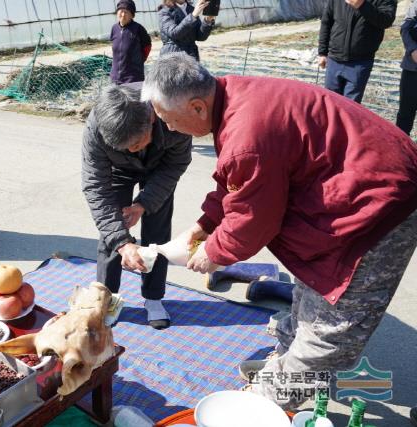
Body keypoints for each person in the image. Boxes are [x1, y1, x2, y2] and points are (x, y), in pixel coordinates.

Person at [141, 52, 417, 409]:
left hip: (378, 203)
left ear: (195, 107)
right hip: (352, 182)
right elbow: (236, 184)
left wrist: (210, 255)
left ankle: (268, 401)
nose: (169, 127)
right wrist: (201, 226)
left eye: (167, 118)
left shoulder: (245, 134)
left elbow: (254, 221)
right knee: (311, 283)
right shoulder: (232, 97)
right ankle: (283, 367)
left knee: (331, 329)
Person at [81, 83, 192, 329]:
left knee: (158, 231)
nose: (133, 149)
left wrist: (143, 203)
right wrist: (122, 243)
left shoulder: (172, 113)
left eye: (138, 142)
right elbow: (96, 186)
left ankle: (153, 298)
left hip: (160, 167)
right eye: (125, 146)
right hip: (118, 170)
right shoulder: (97, 127)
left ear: (152, 119)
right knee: (111, 232)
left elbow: (176, 164)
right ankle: (106, 298)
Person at [318, 0, 396, 103]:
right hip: (334, 59)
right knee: (330, 103)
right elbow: (326, 22)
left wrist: (362, 5)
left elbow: (386, 20)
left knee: (350, 107)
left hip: (360, 62)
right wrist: (322, 53)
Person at [110, 0, 152, 84]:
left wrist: (140, 61)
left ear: (132, 15)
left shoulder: (138, 29)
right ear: (117, 12)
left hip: (133, 78)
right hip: (115, 77)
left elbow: (147, 46)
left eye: (126, 12)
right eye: (121, 11)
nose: (123, 15)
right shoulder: (114, 28)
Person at [396, 0, 417, 136]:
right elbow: (405, 29)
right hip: (413, 70)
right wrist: (413, 49)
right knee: (405, 115)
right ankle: (399, 152)